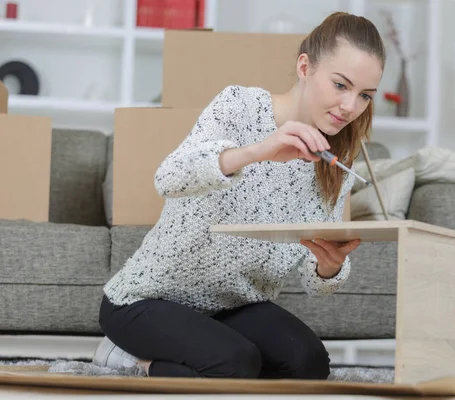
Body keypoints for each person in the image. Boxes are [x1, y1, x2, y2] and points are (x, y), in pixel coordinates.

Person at [93, 11, 386, 380]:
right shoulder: (239, 106)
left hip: (233, 306)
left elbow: (314, 281)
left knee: (308, 364)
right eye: (341, 85)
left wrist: (329, 266)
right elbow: (167, 178)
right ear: (304, 66)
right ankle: (128, 359)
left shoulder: (336, 157)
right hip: (146, 299)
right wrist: (258, 151)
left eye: (364, 95)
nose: (350, 107)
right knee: (234, 363)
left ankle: (210, 357)